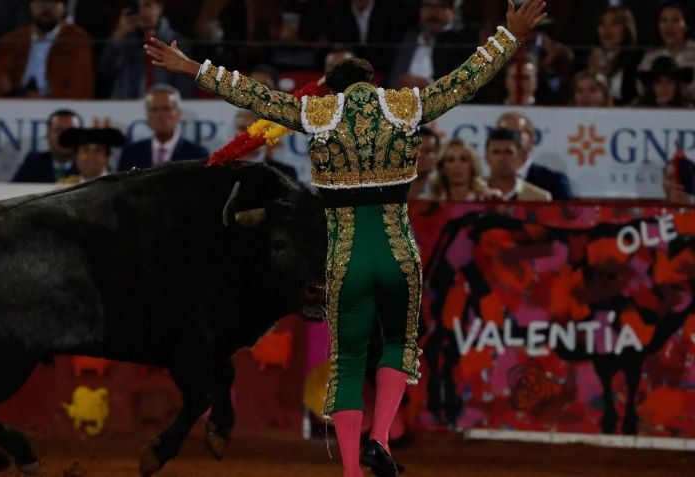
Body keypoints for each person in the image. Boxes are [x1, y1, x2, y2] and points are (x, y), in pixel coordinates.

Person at [145, 1, 546, 476]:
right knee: (397, 344)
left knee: (351, 359)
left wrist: (192, 66)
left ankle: (353, 470)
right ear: (374, 84)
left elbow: (252, 95)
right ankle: (382, 440)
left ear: (330, 91)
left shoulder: (317, 114)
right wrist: (511, 35)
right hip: (397, 252)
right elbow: (467, 77)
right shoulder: (405, 106)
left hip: (347, 255)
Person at [0, 0, 94, 98]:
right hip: (15, 105)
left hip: (58, 108)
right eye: (40, 2)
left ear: (63, 7)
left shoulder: (76, 39)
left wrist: (43, 100)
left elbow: (82, 88)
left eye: (53, 2)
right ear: (30, 7)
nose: (46, 8)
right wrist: (3, 87)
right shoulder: (11, 40)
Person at [99, 0, 195, 99]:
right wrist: (119, 35)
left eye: (147, 5)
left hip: (162, 107)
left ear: (159, 7)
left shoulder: (176, 43)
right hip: (124, 107)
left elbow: (184, 87)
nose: (141, 11)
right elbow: (106, 70)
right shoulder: (124, 39)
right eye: (138, 6)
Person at [117, 84, 208, 170]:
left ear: (178, 114)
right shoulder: (130, 154)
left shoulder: (197, 155)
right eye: (154, 109)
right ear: (147, 115)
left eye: (166, 109)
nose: (160, 115)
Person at [496, 111, 573, 199]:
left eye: (515, 133)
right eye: (502, 134)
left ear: (531, 140)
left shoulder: (554, 182)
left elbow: (567, 212)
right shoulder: (486, 185)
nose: (508, 140)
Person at [584, 6, 642, 105]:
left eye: (614, 23)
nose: (607, 29)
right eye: (602, 24)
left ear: (626, 30)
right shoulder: (589, 57)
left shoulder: (636, 59)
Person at [638, 3, 695, 102]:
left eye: (675, 20)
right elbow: (641, 87)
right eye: (664, 20)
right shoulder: (651, 55)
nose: (668, 26)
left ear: (686, 26)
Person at [12, 109, 82, 182]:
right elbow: (14, 190)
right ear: (48, 134)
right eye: (58, 130)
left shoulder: (88, 165)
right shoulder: (32, 163)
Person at [485, 127, 551, 201]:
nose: (502, 158)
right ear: (487, 158)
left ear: (520, 157)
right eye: (496, 152)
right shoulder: (473, 194)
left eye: (508, 152)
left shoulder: (539, 198)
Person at [233, 110, 297, 179]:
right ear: (235, 133)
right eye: (242, 128)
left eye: (253, 129)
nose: (247, 134)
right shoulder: (223, 167)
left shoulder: (285, 174)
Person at [429, 139, 496, 201]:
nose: (457, 165)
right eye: (451, 160)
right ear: (442, 168)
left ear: (472, 166)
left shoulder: (488, 199)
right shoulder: (429, 202)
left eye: (463, 159)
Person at [56, 127, 125, 184]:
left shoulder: (119, 185)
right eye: (85, 150)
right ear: (76, 157)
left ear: (107, 157)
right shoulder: (64, 186)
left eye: (98, 150)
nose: (92, 156)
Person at [408, 126, 439, 200]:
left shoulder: (442, 192)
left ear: (437, 156)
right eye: (416, 149)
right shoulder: (385, 189)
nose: (420, 156)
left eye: (428, 151)